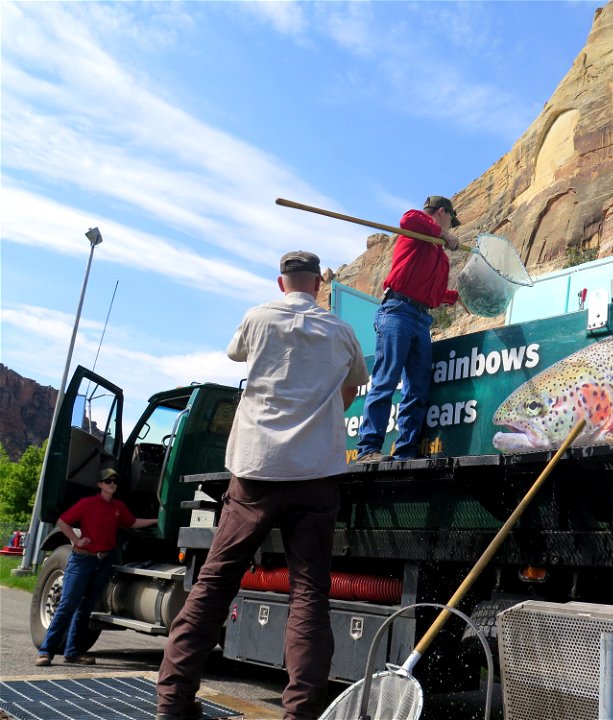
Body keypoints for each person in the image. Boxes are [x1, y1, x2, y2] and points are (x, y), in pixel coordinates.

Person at [156, 251, 369, 720]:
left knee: (214, 582)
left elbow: (237, 353)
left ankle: (172, 703)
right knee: (309, 593)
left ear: (281, 283)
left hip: (255, 471)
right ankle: (300, 714)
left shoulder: (257, 317)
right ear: (318, 284)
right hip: (315, 474)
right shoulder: (341, 332)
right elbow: (352, 390)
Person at [355, 195, 461, 463]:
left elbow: (435, 296)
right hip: (397, 310)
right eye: (450, 219)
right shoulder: (416, 227)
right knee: (386, 379)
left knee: (417, 388)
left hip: (421, 317)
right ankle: (368, 449)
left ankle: (405, 451)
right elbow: (408, 218)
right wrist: (442, 234)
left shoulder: (441, 256)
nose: (452, 225)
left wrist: (458, 297)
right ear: (441, 213)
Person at [35, 467, 157, 667]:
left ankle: (73, 652)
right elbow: (62, 521)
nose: (112, 484)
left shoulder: (118, 507)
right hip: (82, 560)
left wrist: (157, 519)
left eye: (115, 481)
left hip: (103, 563)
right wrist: (76, 539)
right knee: (67, 605)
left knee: (86, 609)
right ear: (99, 485)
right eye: (108, 481)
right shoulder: (87, 504)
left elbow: (132, 522)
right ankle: (46, 651)